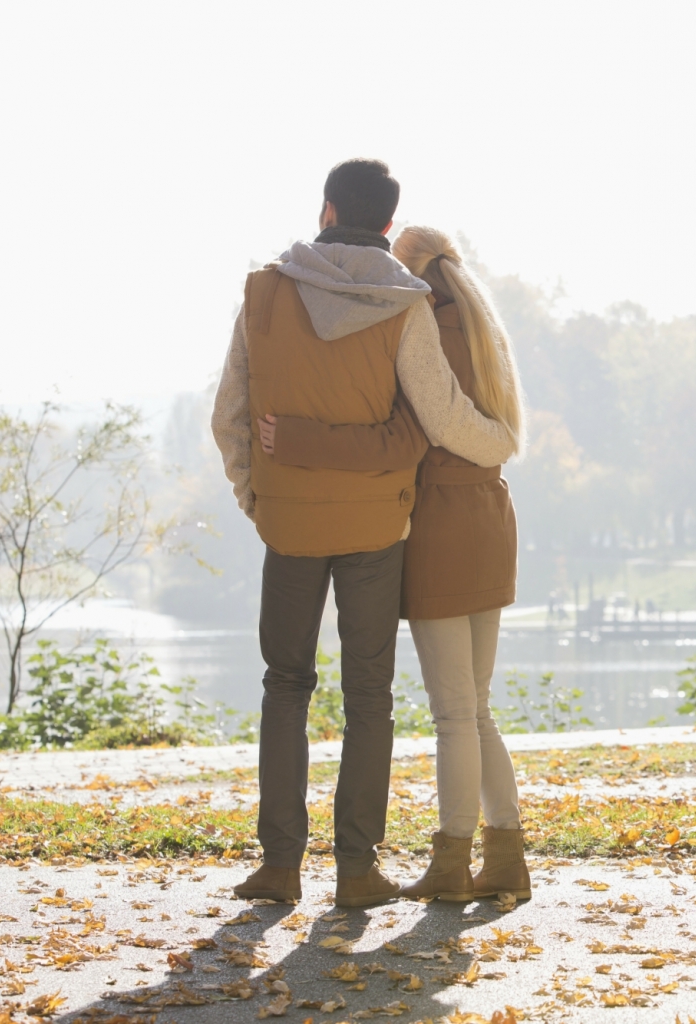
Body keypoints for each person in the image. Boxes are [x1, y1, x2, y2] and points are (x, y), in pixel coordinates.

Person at [211, 160, 516, 907]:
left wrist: (260, 499)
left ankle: (280, 866)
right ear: (386, 225)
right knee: (367, 696)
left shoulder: (264, 290)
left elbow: (231, 415)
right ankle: (357, 872)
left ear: (325, 211)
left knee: (284, 686)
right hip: (377, 528)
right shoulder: (401, 303)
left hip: (288, 525)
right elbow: (434, 416)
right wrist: (502, 439)